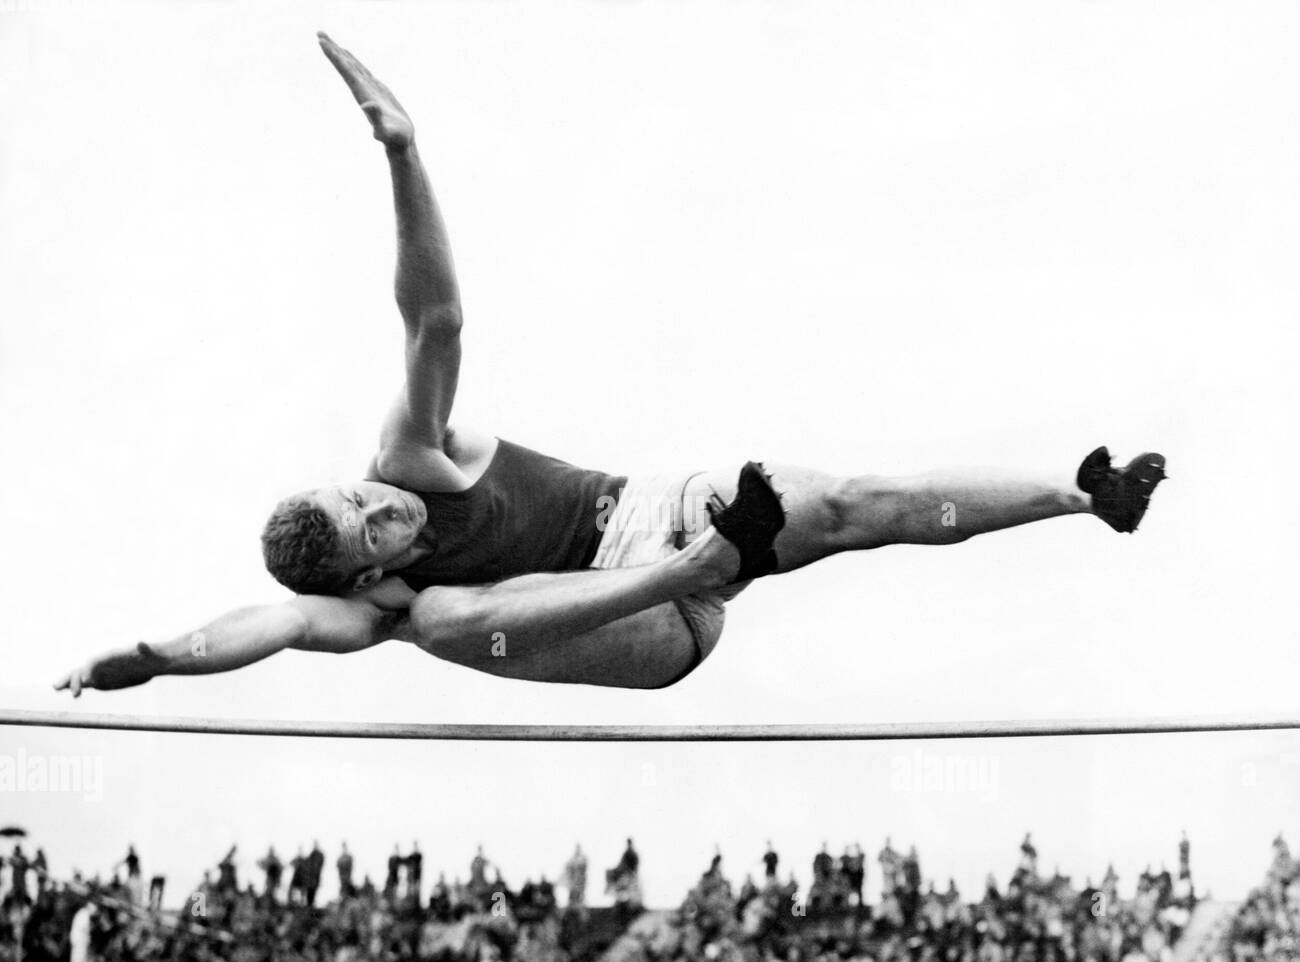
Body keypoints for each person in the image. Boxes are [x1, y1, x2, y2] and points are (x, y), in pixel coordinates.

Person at [54, 33, 1166, 697]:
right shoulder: (377, 601)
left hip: (660, 516)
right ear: (354, 572)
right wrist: (145, 659)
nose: (386, 514)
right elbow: (266, 626)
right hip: (628, 622)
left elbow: (433, 318)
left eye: (364, 502)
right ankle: (696, 571)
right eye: (371, 535)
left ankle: (1082, 498)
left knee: (856, 500)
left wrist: (405, 151)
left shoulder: (406, 454)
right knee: (441, 628)